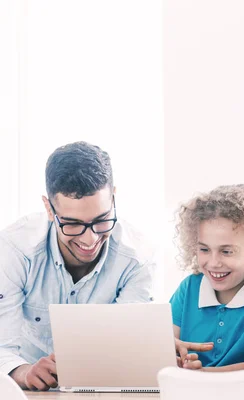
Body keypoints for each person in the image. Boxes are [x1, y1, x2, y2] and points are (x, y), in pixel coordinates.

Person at [0, 141, 155, 390]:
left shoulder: (138, 258)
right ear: (49, 209)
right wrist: (23, 371)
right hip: (28, 392)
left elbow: (127, 348)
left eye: (102, 220)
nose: (90, 239)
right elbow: (1, 346)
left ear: (113, 198)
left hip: (103, 388)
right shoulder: (14, 250)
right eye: (72, 223)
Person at [170, 184, 244, 370]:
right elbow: (163, 343)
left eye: (226, 251)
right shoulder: (189, 288)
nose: (214, 262)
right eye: (204, 249)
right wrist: (169, 351)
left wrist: (200, 375)